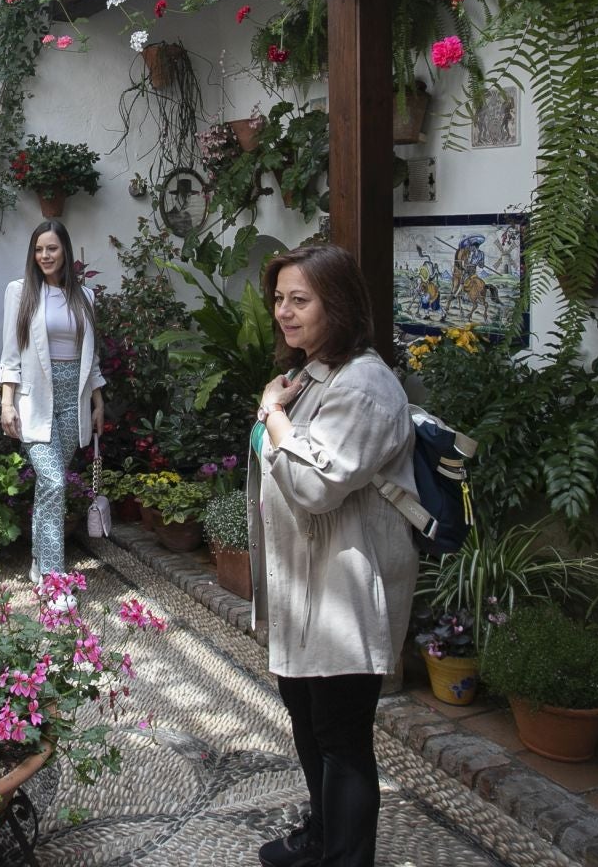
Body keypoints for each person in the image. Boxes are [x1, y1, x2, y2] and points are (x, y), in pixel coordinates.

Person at [247, 244, 419, 867]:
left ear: (338, 304)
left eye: (300, 300)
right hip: (305, 583)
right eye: (279, 299)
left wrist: (273, 415)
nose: (283, 313)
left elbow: (317, 485)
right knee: (310, 724)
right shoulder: (314, 370)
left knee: (343, 740)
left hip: (347, 586)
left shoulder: (366, 384)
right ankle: (321, 841)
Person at [0, 219, 104, 597]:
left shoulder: (85, 298)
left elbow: (89, 359)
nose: (45, 255)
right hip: (34, 403)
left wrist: (97, 401)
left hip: (72, 400)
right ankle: (57, 585)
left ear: (65, 252)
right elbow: (10, 354)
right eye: (39, 249)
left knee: (49, 488)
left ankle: (39, 564)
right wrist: (7, 402)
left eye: (52, 248)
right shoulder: (20, 292)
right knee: (55, 482)